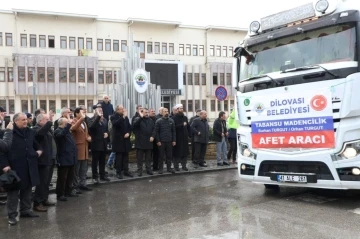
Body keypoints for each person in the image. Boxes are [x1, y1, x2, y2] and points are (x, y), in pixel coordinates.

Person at [1, 113, 43, 226]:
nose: (26, 121)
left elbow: (36, 145)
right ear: (15, 121)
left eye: (26, 119)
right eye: (23, 120)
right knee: (13, 193)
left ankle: (25, 210)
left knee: (27, 189)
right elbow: (2, 152)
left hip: (29, 165)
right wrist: (4, 165)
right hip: (14, 167)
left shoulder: (30, 132)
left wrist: (39, 151)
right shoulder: (8, 133)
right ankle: (12, 215)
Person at [33, 113, 56, 212]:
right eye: (46, 120)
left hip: (49, 159)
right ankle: (37, 203)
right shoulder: (36, 129)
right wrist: (50, 122)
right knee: (41, 183)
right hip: (42, 161)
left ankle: (44, 199)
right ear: (40, 120)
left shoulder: (46, 129)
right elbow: (40, 135)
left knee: (46, 182)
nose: (48, 122)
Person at [54, 117, 77, 202]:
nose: (68, 124)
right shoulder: (57, 131)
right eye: (66, 123)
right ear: (62, 123)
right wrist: (68, 126)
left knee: (70, 176)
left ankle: (68, 190)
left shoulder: (67, 131)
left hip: (70, 157)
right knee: (62, 178)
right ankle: (60, 194)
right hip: (63, 158)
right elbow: (61, 135)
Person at [71, 108, 92, 191]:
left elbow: (86, 134)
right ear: (76, 114)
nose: (84, 113)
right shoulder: (74, 121)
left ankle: (83, 184)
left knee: (84, 168)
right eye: (82, 112)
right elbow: (73, 128)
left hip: (85, 148)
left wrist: (89, 137)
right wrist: (81, 119)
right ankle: (75, 186)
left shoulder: (84, 122)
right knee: (76, 169)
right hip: (78, 148)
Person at [88, 105, 110, 183]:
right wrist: (98, 118)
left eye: (102, 111)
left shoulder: (104, 120)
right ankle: (95, 176)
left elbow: (106, 130)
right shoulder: (92, 120)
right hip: (96, 144)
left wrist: (107, 133)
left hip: (103, 143)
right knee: (95, 161)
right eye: (99, 111)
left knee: (102, 161)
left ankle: (102, 175)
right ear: (96, 112)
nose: (101, 112)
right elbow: (91, 128)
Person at [111, 105, 133, 179]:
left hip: (126, 140)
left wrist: (128, 133)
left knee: (126, 157)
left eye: (123, 109)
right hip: (118, 141)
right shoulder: (113, 116)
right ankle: (118, 172)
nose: (123, 110)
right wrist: (123, 117)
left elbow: (129, 127)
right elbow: (115, 124)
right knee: (119, 158)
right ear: (117, 110)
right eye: (121, 109)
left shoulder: (125, 118)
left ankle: (126, 171)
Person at [133, 108, 155, 176]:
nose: (147, 113)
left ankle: (148, 169)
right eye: (145, 112)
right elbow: (135, 126)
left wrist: (153, 136)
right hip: (140, 142)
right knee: (139, 158)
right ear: (141, 113)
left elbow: (154, 129)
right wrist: (141, 117)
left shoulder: (150, 120)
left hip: (149, 142)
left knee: (148, 158)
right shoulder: (137, 119)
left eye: (147, 112)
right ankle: (140, 170)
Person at [155, 108, 176, 174]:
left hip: (169, 141)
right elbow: (156, 132)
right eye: (165, 111)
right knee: (161, 156)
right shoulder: (158, 121)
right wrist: (158, 141)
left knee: (169, 156)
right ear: (162, 112)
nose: (167, 113)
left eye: (167, 111)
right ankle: (161, 169)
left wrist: (174, 140)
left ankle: (169, 168)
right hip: (161, 141)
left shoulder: (171, 121)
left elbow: (173, 131)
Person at [172, 104, 190, 171]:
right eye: (180, 108)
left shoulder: (185, 118)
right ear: (177, 110)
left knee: (185, 153)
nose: (182, 109)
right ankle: (176, 166)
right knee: (177, 153)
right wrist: (181, 125)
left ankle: (184, 166)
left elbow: (188, 126)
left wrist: (189, 134)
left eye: (182, 108)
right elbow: (174, 128)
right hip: (177, 138)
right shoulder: (173, 118)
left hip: (184, 138)